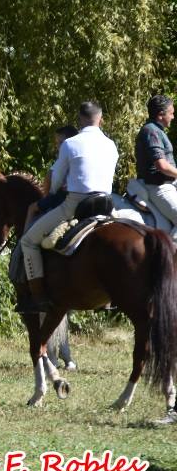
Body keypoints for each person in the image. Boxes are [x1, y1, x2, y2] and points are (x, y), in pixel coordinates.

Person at [19, 101, 119, 314]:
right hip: (107, 205)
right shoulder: (111, 145)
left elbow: (56, 181)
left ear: (80, 119)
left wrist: (54, 192)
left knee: (28, 241)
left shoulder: (70, 144)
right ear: (100, 118)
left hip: (75, 205)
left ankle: (38, 297)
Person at [23, 125, 79, 227]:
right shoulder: (79, 156)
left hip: (62, 197)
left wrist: (48, 195)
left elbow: (51, 180)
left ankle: (24, 240)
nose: (58, 146)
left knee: (32, 208)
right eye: (57, 143)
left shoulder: (62, 159)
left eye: (61, 142)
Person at [135, 94, 177, 225]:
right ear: (160, 115)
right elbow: (161, 165)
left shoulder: (158, 130)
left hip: (167, 184)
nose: (173, 117)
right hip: (158, 187)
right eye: (171, 113)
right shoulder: (151, 131)